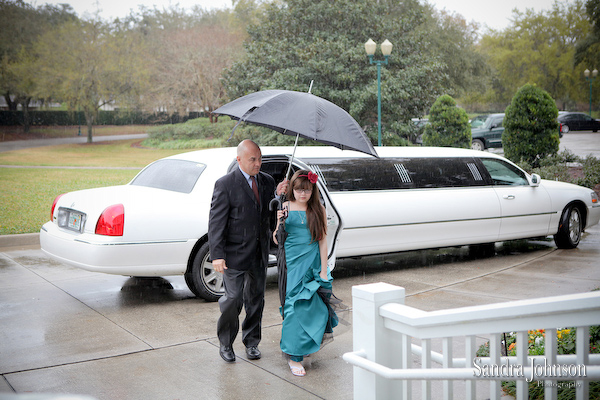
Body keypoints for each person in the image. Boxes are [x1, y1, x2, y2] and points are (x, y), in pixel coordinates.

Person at [208, 139, 287, 363]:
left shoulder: (267, 181)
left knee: (256, 300)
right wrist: (217, 254)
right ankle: (226, 343)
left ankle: (252, 342)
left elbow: (268, 215)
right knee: (232, 300)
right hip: (233, 255)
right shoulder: (225, 184)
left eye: (260, 158)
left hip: (258, 254)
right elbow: (216, 222)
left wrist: (278, 196)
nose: (258, 163)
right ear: (239, 159)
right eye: (253, 159)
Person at [274, 169, 338, 377]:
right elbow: (276, 239)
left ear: (312, 191)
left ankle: (304, 345)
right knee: (293, 307)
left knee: (313, 308)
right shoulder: (284, 206)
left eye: (307, 190)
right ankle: (294, 356)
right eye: (300, 190)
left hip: (311, 263)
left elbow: (322, 241)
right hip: (292, 264)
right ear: (293, 189)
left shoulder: (317, 209)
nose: (303, 194)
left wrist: (323, 269)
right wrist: (280, 222)